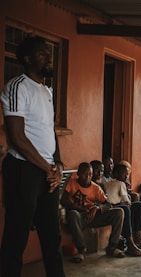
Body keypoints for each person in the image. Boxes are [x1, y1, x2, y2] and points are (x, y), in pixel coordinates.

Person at [0, 36, 66, 276]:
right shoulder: (16, 87)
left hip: (46, 172)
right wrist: (47, 168)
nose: (49, 57)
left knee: (52, 236)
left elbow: (50, 130)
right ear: (27, 59)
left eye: (48, 53)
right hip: (23, 170)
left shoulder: (47, 91)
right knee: (16, 237)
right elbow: (17, 138)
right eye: (42, 53)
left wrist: (57, 164)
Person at [60, 162, 126, 262]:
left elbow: (108, 204)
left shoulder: (96, 188)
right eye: (84, 174)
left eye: (90, 174)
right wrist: (78, 207)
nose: (87, 177)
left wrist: (97, 208)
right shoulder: (72, 182)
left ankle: (112, 247)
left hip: (93, 216)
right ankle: (81, 250)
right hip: (79, 217)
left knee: (119, 212)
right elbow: (63, 199)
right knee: (72, 213)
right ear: (78, 173)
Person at [104, 164, 141, 256]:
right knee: (130, 208)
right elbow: (127, 202)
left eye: (127, 174)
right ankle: (131, 243)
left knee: (138, 205)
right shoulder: (121, 183)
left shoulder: (109, 183)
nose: (126, 176)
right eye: (124, 174)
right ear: (116, 174)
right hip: (113, 208)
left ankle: (138, 238)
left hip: (111, 207)